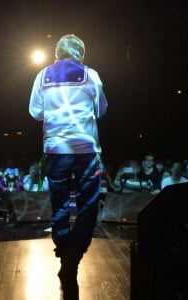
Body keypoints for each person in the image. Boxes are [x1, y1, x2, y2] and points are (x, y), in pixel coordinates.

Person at [29, 34, 108, 299]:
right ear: (81, 54)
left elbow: (35, 112)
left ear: (57, 53)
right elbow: (101, 110)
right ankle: (73, 254)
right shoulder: (91, 74)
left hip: (55, 150)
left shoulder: (43, 75)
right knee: (88, 205)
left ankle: (64, 249)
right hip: (85, 150)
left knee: (60, 204)